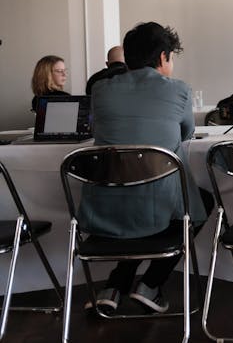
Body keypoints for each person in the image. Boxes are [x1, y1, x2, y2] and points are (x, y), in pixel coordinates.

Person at [79, 22, 213, 314]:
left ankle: (115, 285)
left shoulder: (100, 89)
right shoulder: (178, 90)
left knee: (143, 205)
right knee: (200, 202)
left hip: (102, 211)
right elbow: (186, 135)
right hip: (157, 210)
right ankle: (150, 284)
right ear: (164, 57)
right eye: (172, 57)